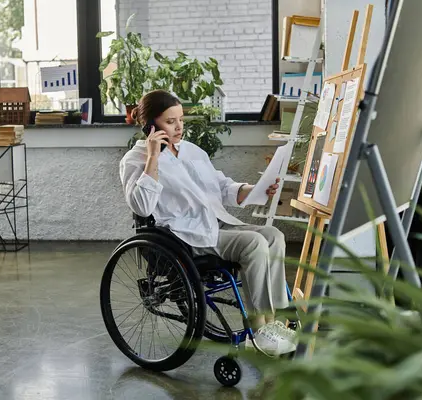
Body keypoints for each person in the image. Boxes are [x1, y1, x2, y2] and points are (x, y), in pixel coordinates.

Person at [119, 89, 296, 355]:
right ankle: (259, 328)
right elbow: (141, 206)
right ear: (150, 125)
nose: (179, 127)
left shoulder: (191, 151)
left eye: (181, 119)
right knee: (254, 244)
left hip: (215, 223)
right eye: (170, 121)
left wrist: (257, 188)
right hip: (184, 235)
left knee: (273, 235)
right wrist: (153, 157)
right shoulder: (135, 160)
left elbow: (222, 187)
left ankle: (275, 320)